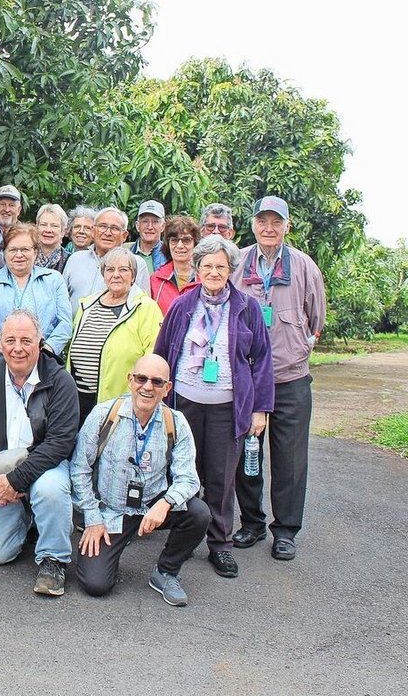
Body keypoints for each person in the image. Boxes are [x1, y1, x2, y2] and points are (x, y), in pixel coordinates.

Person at [154, 235, 274, 578]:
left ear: (230, 270)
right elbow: (162, 352)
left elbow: (262, 361)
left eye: (221, 266)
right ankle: (187, 534)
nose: (213, 271)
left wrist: (259, 409)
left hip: (227, 408)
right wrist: (157, 398)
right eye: (207, 265)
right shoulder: (182, 305)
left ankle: (220, 544)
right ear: (197, 268)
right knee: (185, 472)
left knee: (221, 478)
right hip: (185, 405)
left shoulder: (247, 307)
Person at [71, 354, 210, 606]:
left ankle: (166, 571)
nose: (147, 387)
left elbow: (189, 479)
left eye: (157, 382)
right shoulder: (104, 414)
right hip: (112, 510)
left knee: (198, 513)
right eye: (141, 378)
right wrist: (91, 519)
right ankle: (115, 541)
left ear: (167, 389)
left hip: (153, 506)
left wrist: (165, 503)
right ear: (129, 380)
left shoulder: (176, 423)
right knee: (95, 584)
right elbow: (79, 469)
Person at [0, 309, 79, 596]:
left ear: (39, 342)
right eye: (10, 340)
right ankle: (32, 519)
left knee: (51, 489)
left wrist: (15, 481)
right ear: (0, 342)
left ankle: (54, 559)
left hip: (42, 467)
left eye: (26, 340)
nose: (17, 348)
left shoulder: (60, 381)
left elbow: (60, 442)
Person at [232, 196, 326, 562]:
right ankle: (252, 522)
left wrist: (298, 347)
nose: (268, 228)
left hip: (290, 378)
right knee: (244, 454)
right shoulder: (238, 262)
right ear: (253, 224)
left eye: (276, 222)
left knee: (289, 458)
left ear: (287, 226)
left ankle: (285, 530)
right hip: (248, 377)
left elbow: (315, 319)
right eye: (262, 221)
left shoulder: (303, 266)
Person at [66, 248, 163, 423]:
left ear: (133, 276)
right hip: (76, 400)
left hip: (118, 405)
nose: (116, 275)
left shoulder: (146, 308)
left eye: (123, 270)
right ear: (103, 274)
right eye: (110, 269)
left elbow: (152, 358)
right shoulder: (87, 305)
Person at [0, 223, 72, 375]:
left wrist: (44, 350)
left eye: (25, 249)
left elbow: (65, 323)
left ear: (35, 252)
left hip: (40, 365)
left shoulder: (54, 280)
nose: (19, 255)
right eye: (13, 249)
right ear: (4, 251)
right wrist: (7, 348)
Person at [64, 207, 128, 303]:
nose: (107, 233)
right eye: (102, 226)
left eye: (115, 228)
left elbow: (143, 306)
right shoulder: (75, 259)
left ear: (124, 236)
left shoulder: (134, 263)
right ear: (93, 231)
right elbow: (62, 300)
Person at [149, 215, 201, 314]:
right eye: (174, 240)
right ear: (167, 244)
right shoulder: (156, 280)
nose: (180, 246)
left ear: (195, 243)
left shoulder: (205, 279)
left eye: (186, 240)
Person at [130, 200, 167, 283]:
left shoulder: (170, 255)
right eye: (145, 221)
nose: (150, 227)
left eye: (155, 222)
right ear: (137, 226)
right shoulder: (126, 252)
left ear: (163, 226)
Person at [34, 203, 71, 272]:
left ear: (63, 231)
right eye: (43, 225)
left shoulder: (70, 261)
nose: (48, 230)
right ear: (37, 228)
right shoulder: (26, 257)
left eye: (54, 226)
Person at [0, 184, 23, 252]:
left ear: (19, 210)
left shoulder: (27, 236)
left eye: (11, 205)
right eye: (3, 204)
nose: (7, 210)